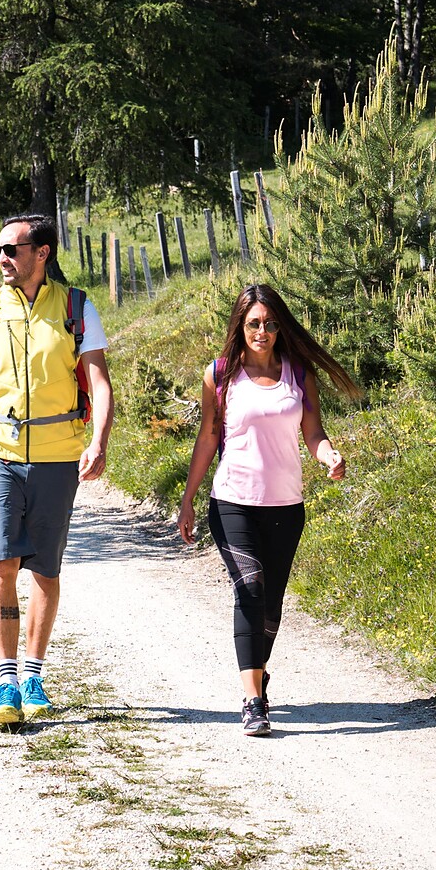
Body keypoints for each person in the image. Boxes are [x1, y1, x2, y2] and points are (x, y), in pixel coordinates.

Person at [0, 214, 114, 727]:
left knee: (44, 567)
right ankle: (5, 679)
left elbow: (100, 383)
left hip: (58, 454)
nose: (2, 258)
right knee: (1, 564)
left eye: (11, 249)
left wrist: (100, 442)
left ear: (41, 253)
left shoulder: (77, 308)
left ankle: (33, 675)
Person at [176, 283, 360, 736]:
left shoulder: (298, 373)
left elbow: (313, 433)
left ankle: (257, 672)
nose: (262, 330)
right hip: (232, 500)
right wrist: (188, 498)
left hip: (286, 504)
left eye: (270, 323)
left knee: (271, 608)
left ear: (280, 327)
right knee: (251, 591)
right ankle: (253, 700)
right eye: (254, 322)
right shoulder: (219, 375)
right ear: (240, 324)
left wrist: (329, 456)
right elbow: (208, 437)